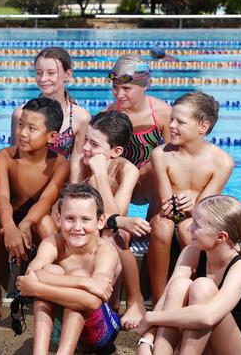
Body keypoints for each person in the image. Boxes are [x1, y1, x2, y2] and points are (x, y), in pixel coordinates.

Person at [137, 195, 241, 355]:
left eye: (197, 225)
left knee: (202, 287)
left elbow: (208, 316)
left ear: (221, 236)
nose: (188, 229)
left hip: (239, 349)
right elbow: (167, 298)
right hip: (206, 343)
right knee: (179, 285)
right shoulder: (192, 252)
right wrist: (146, 340)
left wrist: (151, 318)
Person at [0, 97, 70, 320]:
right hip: (9, 220)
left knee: (46, 222)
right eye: (21, 125)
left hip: (38, 227)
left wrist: (27, 224)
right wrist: (11, 227)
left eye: (32, 128)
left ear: (52, 136)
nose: (22, 133)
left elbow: (46, 201)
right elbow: (1, 198)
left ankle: (55, 293)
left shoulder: (60, 164)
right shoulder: (4, 157)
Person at [148, 92, 233, 304]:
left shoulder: (222, 162)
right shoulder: (161, 155)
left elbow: (206, 211)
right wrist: (184, 202)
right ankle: (159, 300)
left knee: (189, 229)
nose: (172, 126)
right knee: (162, 225)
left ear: (203, 127)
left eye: (180, 122)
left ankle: (192, 298)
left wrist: (195, 198)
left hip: (199, 220)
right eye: (171, 120)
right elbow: (167, 205)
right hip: (168, 216)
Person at [17, 183, 121, 355]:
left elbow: (92, 302)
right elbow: (31, 274)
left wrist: (37, 288)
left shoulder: (105, 251)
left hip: (99, 333)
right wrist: (83, 282)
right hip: (59, 331)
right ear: (58, 219)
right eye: (70, 219)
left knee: (74, 273)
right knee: (53, 270)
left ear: (100, 221)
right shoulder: (53, 243)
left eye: (86, 219)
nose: (77, 227)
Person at [70, 111, 149, 329]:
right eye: (86, 139)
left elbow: (116, 217)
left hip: (110, 234)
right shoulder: (79, 162)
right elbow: (71, 202)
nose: (86, 148)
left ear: (116, 151)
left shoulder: (128, 170)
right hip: (82, 227)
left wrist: (101, 176)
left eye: (94, 144)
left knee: (118, 236)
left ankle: (135, 300)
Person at [103, 54, 172, 216]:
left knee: (159, 164)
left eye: (126, 88)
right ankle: (118, 224)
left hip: (148, 183)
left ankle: (152, 223)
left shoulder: (163, 113)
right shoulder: (109, 113)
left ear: (144, 86)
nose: (119, 95)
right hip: (119, 181)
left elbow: (174, 161)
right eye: (115, 87)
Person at [11, 47, 91, 160]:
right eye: (39, 73)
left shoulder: (81, 117)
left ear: (67, 74)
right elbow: (15, 158)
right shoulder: (21, 113)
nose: (43, 79)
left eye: (51, 73)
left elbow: (76, 165)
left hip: (62, 177)